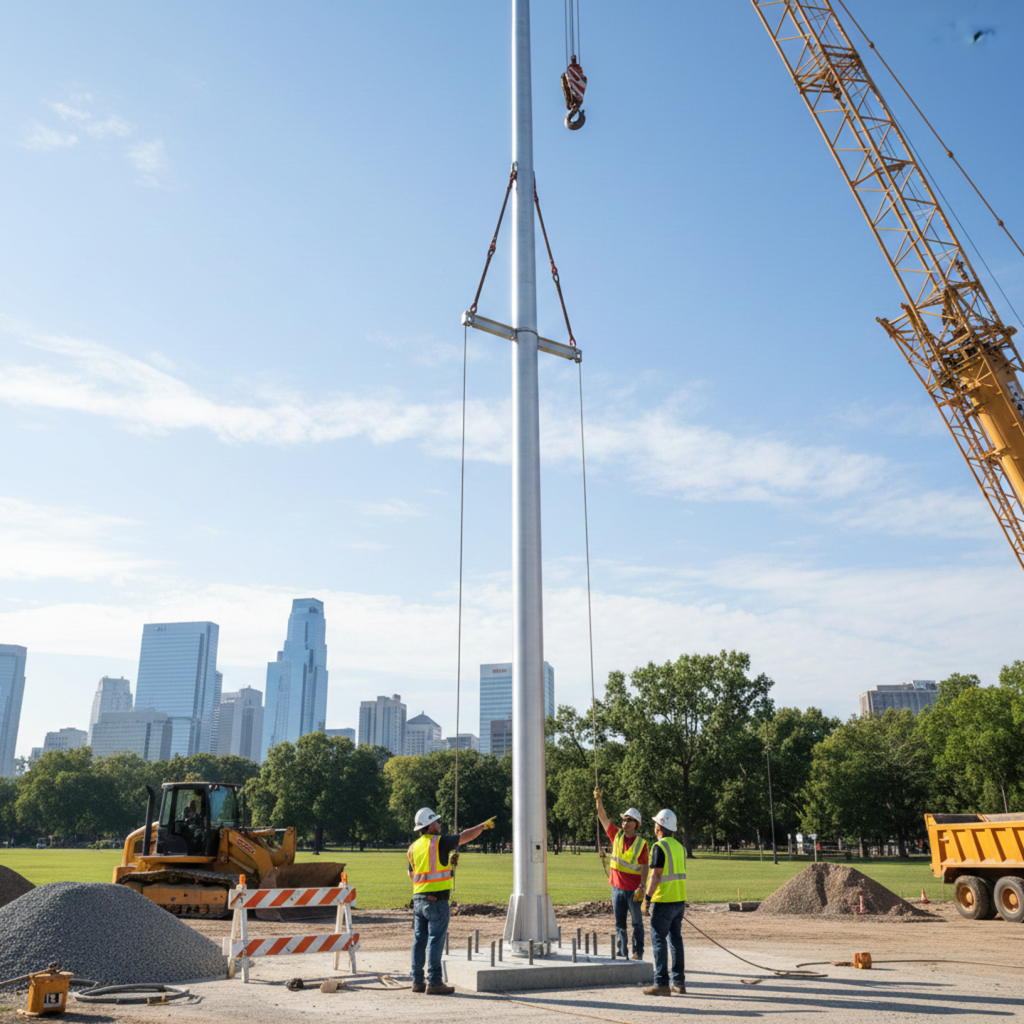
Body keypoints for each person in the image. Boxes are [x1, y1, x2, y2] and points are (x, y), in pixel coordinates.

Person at [408, 807, 496, 994]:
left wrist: (447, 865)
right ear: (429, 826)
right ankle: (434, 982)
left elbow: (412, 874)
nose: (438, 824)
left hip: (418, 901)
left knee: (419, 940)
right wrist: (482, 826)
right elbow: (464, 836)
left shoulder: (413, 847)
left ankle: (417, 981)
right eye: (435, 821)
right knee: (435, 940)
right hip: (436, 901)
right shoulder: (440, 842)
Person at [593, 787, 648, 960]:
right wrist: (598, 800)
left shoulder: (641, 844)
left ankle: (637, 952)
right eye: (624, 820)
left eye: (629, 820)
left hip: (634, 890)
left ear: (636, 824)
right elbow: (602, 816)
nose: (625, 823)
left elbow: (645, 866)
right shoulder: (616, 835)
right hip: (617, 888)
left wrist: (642, 886)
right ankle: (622, 950)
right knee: (620, 924)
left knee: (637, 923)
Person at [642, 808, 687, 996]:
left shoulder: (659, 847)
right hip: (679, 900)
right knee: (675, 939)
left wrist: (647, 898)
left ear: (660, 826)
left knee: (659, 939)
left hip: (663, 901)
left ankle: (661, 983)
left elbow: (656, 874)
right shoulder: (679, 847)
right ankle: (679, 982)